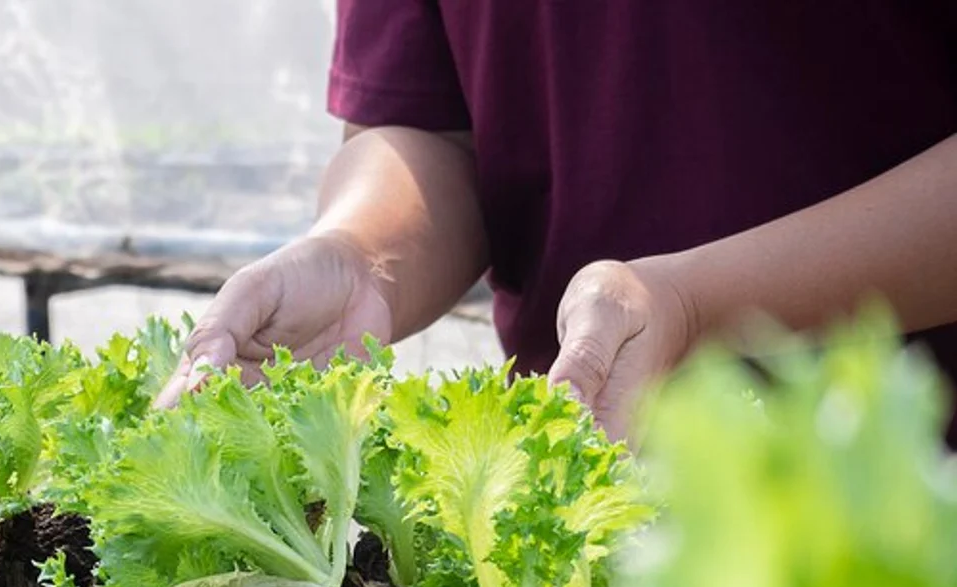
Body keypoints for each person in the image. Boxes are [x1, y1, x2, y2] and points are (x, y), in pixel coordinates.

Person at [158, 1, 957, 444]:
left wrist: (692, 305)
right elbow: (428, 128)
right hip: (597, 507)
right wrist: (359, 255)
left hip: (906, 509)